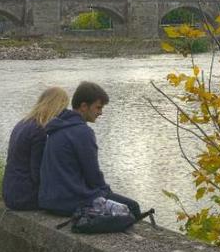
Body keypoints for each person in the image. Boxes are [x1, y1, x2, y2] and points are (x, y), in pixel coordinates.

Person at [38, 80, 142, 218]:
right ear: (84, 106)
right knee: (132, 207)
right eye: (98, 108)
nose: (101, 113)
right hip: (70, 202)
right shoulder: (82, 132)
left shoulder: (57, 127)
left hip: (49, 201)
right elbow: (93, 176)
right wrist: (107, 193)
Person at [2, 86, 69, 210]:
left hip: (9, 192)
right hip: (24, 196)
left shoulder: (22, 123)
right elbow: (37, 173)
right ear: (58, 106)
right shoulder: (39, 130)